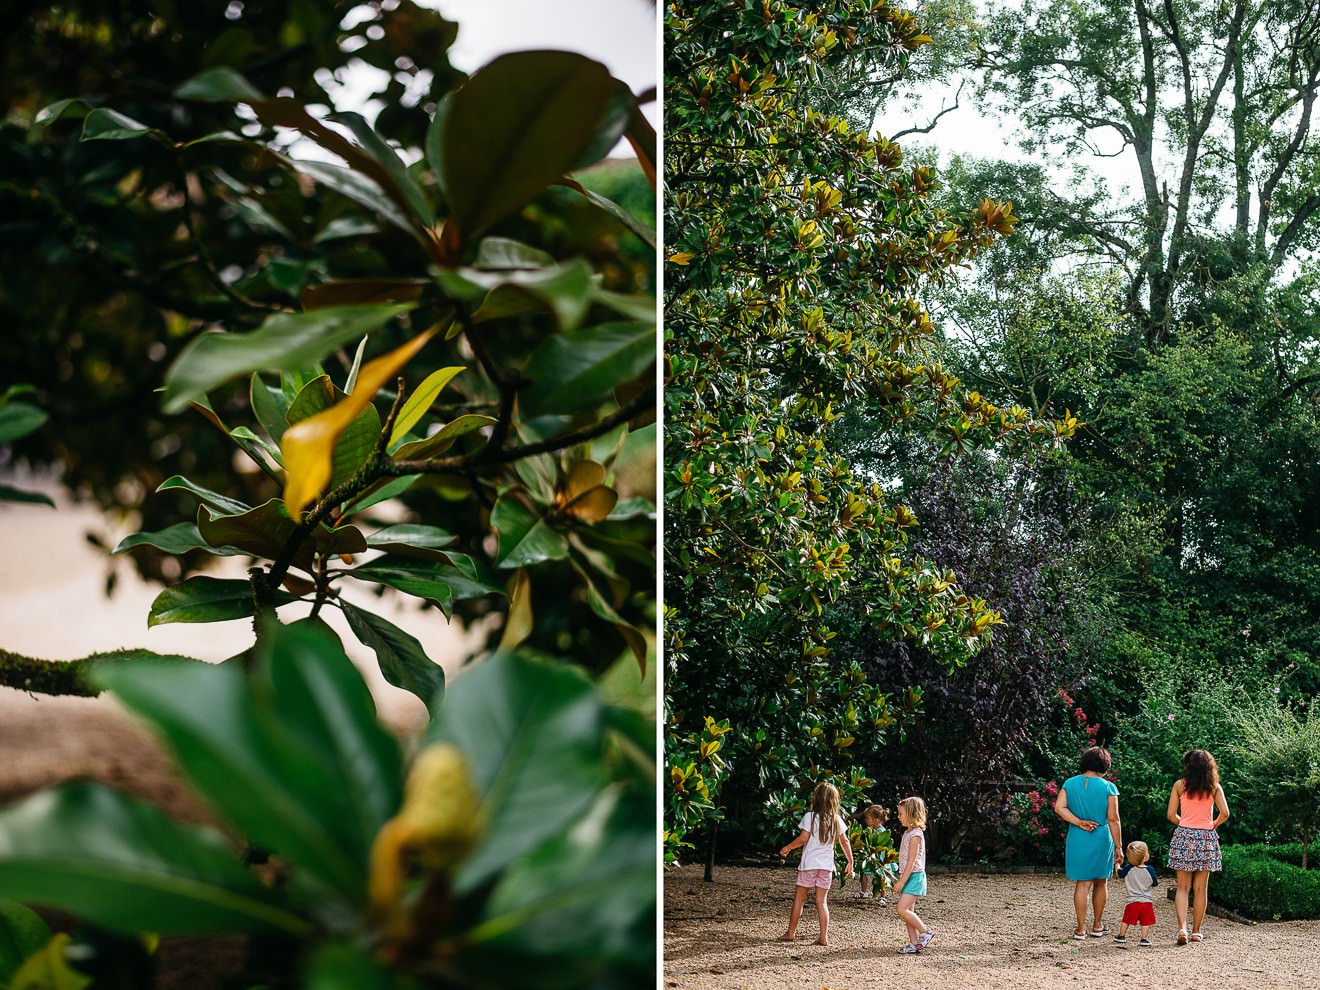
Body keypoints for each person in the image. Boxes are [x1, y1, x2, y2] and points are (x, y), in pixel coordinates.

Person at [1053, 746, 1122, 940]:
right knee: (1101, 881)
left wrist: (1078, 822)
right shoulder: (1108, 787)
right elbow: (1113, 819)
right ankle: (1097, 926)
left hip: (1078, 836)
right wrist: (1119, 846)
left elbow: (1059, 807)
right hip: (1101, 837)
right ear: (1104, 764)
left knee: (1082, 884)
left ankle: (1080, 929)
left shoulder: (1070, 783)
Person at [776, 781, 854, 946]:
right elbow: (845, 841)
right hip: (826, 867)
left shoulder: (810, 817)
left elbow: (803, 839)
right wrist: (850, 861)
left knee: (799, 900)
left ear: (816, 799)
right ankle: (823, 937)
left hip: (809, 865)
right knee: (822, 902)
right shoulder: (837, 819)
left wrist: (788, 847)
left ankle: (791, 933)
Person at [1167, 749, 1230, 945]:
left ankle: (1182, 929)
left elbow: (1170, 815)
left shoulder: (1179, 785)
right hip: (1206, 838)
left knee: (1183, 888)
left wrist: (1184, 823)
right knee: (1201, 888)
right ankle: (1196, 931)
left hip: (1184, 835)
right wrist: (1212, 824)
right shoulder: (1214, 787)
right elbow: (1225, 813)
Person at [893, 796, 933, 954]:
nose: (898, 817)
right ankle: (914, 943)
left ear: (910, 814)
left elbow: (912, 861)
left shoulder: (916, 835)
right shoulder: (908, 833)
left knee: (901, 909)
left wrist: (902, 882)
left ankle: (925, 932)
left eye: (901, 813)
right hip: (908, 876)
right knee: (908, 912)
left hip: (914, 877)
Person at [1113, 840, 1158, 946]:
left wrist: (1117, 864)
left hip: (1132, 901)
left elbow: (1119, 873)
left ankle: (1121, 936)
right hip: (1146, 901)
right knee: (1145, 921)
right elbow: (1154, 883)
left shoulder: (1128, 868)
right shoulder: (1150, 870)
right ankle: (1144, 939)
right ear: (1145, 857)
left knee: (1126, 919)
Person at [851, 804, 889, 905]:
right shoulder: (870, 830)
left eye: (868, 818)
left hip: (879, 859)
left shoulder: (882, 832)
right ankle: (864, 891)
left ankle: (883, 896)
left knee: (881, 877)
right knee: (863, 872)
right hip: (869, 857)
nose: (866, 820)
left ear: (876, 819)